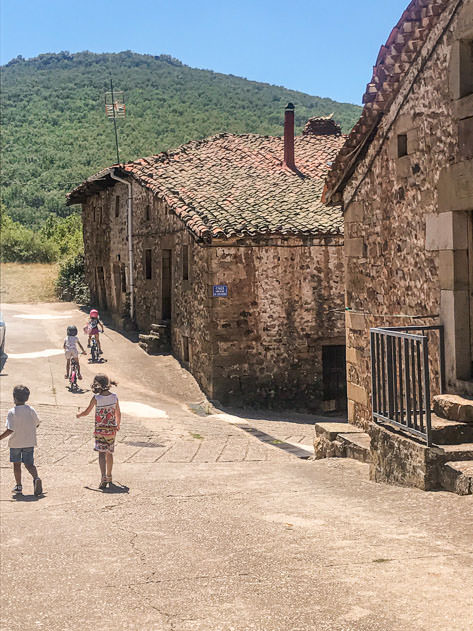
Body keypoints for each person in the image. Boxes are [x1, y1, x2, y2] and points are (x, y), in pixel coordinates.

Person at [76, 374, 121, 489]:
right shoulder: (114, 397)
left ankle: (103, 477)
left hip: (100, 430)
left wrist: (79, 415)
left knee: (101, 453)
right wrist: (118, 424)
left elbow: (87, 412)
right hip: (111, 430)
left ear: (97, 385)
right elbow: (118, 413)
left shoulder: (96, 398)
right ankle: (109, 476)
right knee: (109, 453)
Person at [0, 385, 43, 496]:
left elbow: (10, 429)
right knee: (29, 464)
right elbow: (37, 423)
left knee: (17, 465)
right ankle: (36, 478)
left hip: (15, 443)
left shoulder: (11, 412)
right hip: (29, 442)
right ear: (27, 398)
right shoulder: (31, 410)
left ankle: (19, 486)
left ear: (14, 397)